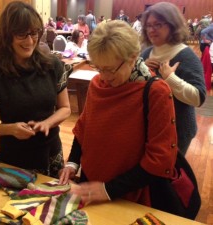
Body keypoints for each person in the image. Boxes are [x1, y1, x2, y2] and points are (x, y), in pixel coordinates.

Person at [59, 20, 178, 213]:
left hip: (129, 194)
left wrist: (107, 190)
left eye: (110, 69)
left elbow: (159, 159)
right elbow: (84, 128)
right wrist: (73, 162)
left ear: (132, 58)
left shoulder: (156, 92)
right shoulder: (98, 83)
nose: (104, 76)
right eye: (99, 68)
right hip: (91, 187)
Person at [0, 1, 71, 177]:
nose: (30, 41)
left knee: (50, 202)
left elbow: (65, 108)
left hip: (51, 152)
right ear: (7, 35)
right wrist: (11, 129)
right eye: (22, 35)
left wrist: (47, 123)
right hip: (14, 158)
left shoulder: (52, 65)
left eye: (34, 33)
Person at [140, 2, 206, 155]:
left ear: (172, 25)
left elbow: (198, 97)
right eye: (148, 25)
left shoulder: (186, 56)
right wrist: (141, 68)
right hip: (148, 126)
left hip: (177, 130)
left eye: (157, 24)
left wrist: (170, 78)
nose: (151, 30)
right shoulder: (146, 53)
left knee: (168, 175)